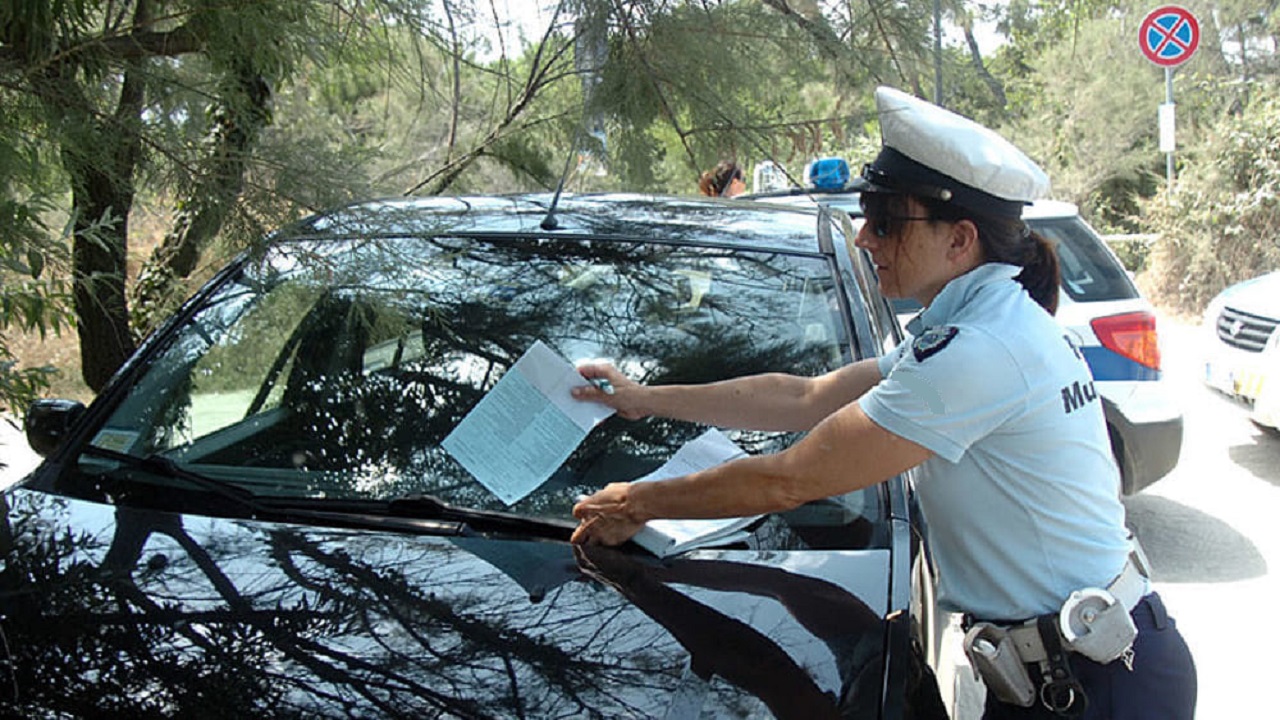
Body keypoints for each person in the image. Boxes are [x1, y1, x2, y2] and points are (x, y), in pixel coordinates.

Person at [570, 86, 1196, 720]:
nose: (866, 238)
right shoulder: (974, 325)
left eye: (887, 222)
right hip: (1068, 671)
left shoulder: (979, 350)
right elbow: (805, 396)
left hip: (1095, 686)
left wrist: (637, 503)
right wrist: (644, 398)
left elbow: (794, 479)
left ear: (960, 240)